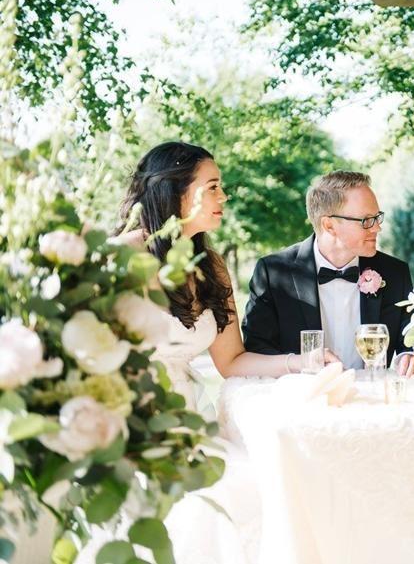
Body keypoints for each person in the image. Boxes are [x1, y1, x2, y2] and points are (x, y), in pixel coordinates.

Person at [115, 141, 331, 409]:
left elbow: (231, 362)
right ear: (174, 191)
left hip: (185, 411)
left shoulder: (212, 266)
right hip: (125, 408)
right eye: (213, 187)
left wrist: (301, 361)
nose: (224, 196)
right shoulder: (121, 255)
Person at [241, 170, 414, 373]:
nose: (377, 228)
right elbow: (257, 348)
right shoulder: (274, 274)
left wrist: (408, 356)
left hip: (373, 390)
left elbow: (412, 340)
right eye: (366, 220)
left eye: (377, 218)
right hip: (305, 391)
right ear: (329, 225)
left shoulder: (395, 273)